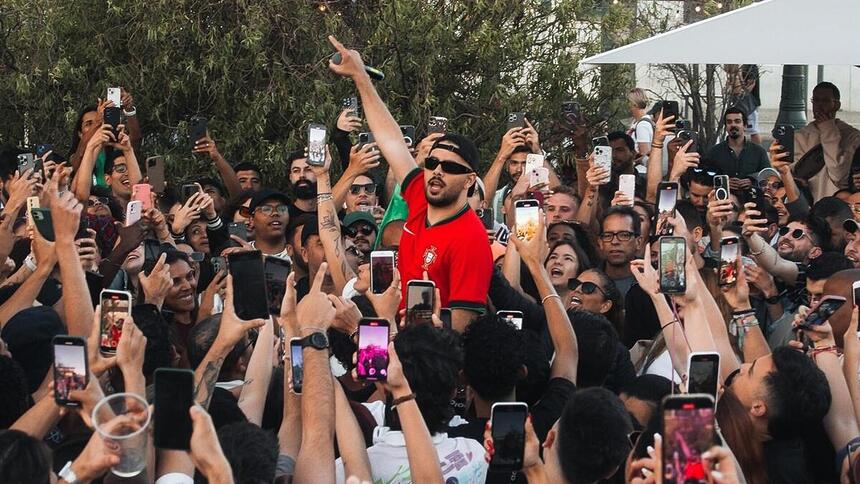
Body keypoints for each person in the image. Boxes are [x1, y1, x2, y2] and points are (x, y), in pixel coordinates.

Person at [328, 37, 491, 332]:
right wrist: (361, 77)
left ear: (470, 179)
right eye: (432, 163)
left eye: (451, 167)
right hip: (392, 339)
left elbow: (464, 327)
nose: (437, 171)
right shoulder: (419, 196)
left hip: (426, 361)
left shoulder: (471, 238)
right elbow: (391, 140)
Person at [794, 81, 860, 201]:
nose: (819, 105)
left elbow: (839, 175)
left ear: (837, 105)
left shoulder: (852, 136)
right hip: (808, 200)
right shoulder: (801, 136)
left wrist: (828, 129)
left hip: (840, 202)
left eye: (825, 101)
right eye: (816, 100)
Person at [706, 107, 770, 180]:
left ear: (745, 126)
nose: (733, 125)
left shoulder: (759, 152)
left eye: (737, 121)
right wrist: (724, 182)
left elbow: (768, 175)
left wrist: (752, 180)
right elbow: (707, 176)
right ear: (726, 127)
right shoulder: (714, 152)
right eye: (729, 122)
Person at [597, 205, 643, 298]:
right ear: (600, 242)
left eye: (624, 235)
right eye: (608, 235)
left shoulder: (653, 281)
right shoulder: (590, 281)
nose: (615, 242)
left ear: (638, 242)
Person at [626, 87, 654, 167]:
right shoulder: (639, 122)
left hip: (641, 171)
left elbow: (645, 153)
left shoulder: (642, 125)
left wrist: (631, 163)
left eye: (629, 102)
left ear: (634, 104)